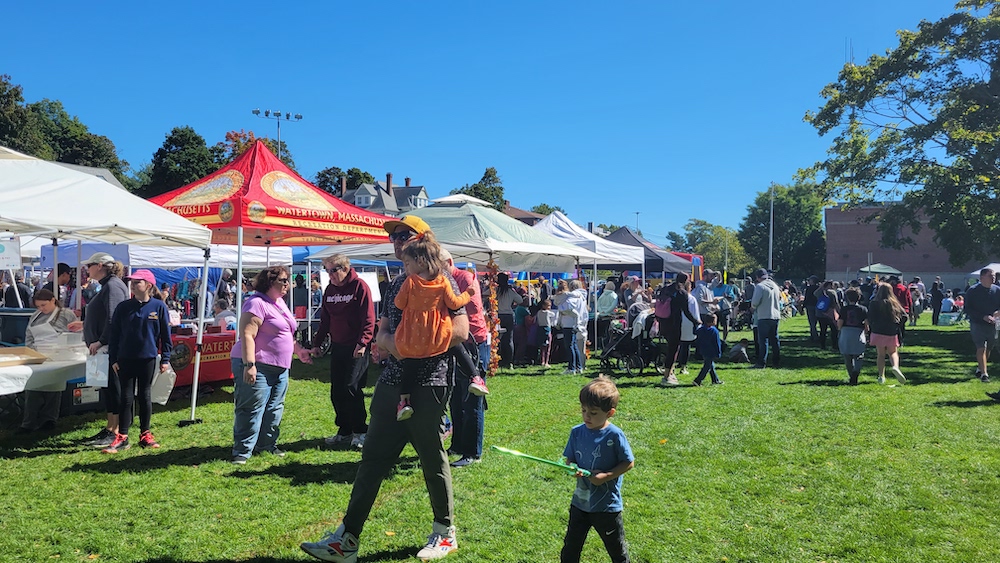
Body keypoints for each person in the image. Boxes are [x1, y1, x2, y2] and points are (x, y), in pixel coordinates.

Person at [301, 215, 469, 562]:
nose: (397, 242)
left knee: (430, 457)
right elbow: (383, 334)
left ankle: (445, 531)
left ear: (423, 240)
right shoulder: (395, 283)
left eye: (404, 236)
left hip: (431, 381)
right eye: (394, 238)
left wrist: (415, 343)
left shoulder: (444, 279)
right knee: (372, 459)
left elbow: (462, 331)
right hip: (392, 381)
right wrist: (397, 344)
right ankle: (347, 539)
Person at [230, 266, 313, 465]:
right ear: (269, 282)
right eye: (283, 281)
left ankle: (266, 444)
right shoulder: (256, 303)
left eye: (287, 281)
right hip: (258, 364)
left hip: (280, 367)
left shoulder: (279, 302)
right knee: (251, 407)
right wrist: (249, 365)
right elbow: (248, 334)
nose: (288, 284)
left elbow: (285, 332)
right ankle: (242, 450)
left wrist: (298, 350)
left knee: (274, 408)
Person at [393, 232, 475, 421]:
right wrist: (468, 293)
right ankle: (475, 376)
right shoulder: (443, 281)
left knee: (410, 365)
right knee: (457, 347)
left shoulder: (410, 281)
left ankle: (404, 401)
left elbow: (398, 303)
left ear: (419, 263)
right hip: (437, 332)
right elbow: (455, 303)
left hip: (413, 335)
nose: (405, 268)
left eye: (407, 264)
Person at [559, 376, 635, 563]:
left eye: (593, 413)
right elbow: (569, 459)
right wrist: (571, 468)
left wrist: (607, 476)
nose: (586, 416)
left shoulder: (615, 435)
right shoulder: (577, 432)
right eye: (584, 410)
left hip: (606, 506)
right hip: (580, 503)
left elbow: (628, 462)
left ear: (610, 413)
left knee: (617, 550)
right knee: (571, 547)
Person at [101, 270, 173, 453]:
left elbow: (165, 335)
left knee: (144, 395)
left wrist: (165, 358)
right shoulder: (123, 307)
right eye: (131, 282)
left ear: (148, 285)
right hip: (125, 359)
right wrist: (114, 359)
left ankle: (145, 434)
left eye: (137, 282)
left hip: (147, 358)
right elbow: (114, 334)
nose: (133, 285)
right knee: (125, 397)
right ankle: (122, 436)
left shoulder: (158, 307)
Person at [311, 254, 375, 450]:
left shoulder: (360, 287)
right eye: (327, 271)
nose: (330, 275)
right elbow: (325, 320)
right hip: (338, 346)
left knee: (351, 387)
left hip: (356, 346)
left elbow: (369, 318)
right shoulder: (329, 290)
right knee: (337, 390)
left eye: (333, 270)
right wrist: (317, 343)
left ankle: (360, 431)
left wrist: (363, 342)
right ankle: (344, 430)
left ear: (345, 269)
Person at [69, 253, 130, 449]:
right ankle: (110, 427)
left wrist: (101, 340)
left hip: (107, 347)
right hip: (100, 347)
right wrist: (86, 324)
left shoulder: (113, 286)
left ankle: (116, 430)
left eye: (90, 265)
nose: (87, 269)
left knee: (113, 388)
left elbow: (114, 319)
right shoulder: (107, 285)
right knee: (105, 388)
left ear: (100, 265)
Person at [441, 248, 489, 468]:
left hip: (473, 343)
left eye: (440, 265)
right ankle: (458, 444)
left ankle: (472, 452)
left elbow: (471, 307)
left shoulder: (465, 278)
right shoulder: (445, 280)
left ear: (449, 261)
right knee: (456, 397)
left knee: (472, 399)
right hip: (455, 343)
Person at [17, 289, 78, 433]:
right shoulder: (35, 316)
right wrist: (31, 352)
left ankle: (49, 420)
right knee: (33, 387)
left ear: (52, 300)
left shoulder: (66, 314)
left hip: (59, 357)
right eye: (38, 306)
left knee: (54, 389)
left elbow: (76, 334)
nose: (41, 309)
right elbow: (29, 336)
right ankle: (29, 422)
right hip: (38, 356)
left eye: (44, 305)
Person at [655, 273, 701, 386]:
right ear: (686, 281)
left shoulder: (666, 289)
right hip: (674, 324)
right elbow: (686, 312)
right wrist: (697, 321)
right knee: (673, 350)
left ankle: (670, 372)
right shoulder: (682, 293)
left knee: (671, 348)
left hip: (663, 322)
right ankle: (666, 377)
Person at [963, 268, 1000, 383]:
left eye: (994, 276)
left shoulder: (997, 290)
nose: (993, 278)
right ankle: (984, 374)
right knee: (981, 347)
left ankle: (980, 367)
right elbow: (967, 309)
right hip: (977, 323)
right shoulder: (973, 291)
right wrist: (983, 316)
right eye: (990, 276)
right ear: (982, 277)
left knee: (989, 348)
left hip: (993, 324)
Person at [867, 282, 907, 385]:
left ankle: (881, 376)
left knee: (880, 355)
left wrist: (872, 325)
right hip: (891, 331)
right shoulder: (894, 303)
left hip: (877, 331)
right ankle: (895, 367)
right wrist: (897, 325)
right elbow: (904, 316)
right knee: (893, 352)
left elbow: (870, 317)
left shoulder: (874, 303)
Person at [750, 268, 782, 369]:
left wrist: (752, 308)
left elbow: (755, 302)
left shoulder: (760, 286)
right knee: (775, 340)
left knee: (763, 340)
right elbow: (780, 298)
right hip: (775, 315)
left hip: (764, 316)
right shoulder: (775, 286)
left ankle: (761, 362)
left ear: (757, 277)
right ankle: (776, 361)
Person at [556, 279, 589, 375]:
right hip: (574, 323)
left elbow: (568, 306)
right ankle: (578, 367)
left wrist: (562, 309)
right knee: (574, 346)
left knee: (569, 346)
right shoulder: (581, 296)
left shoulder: (573, 296)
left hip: (569, 323)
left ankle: (571, 368)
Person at [837, 288, 869, 385]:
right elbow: (866, 324)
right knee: (859, 355)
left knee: (847, 356)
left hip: (846, 332)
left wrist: (839, 330)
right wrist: (867, 333)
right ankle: (856, 371)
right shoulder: (863, 309)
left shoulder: (844, 309)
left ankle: (851, 375)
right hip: (858, 333)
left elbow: (840, 322)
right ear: (859, 297)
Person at [495, 273, 523, 368]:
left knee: (497, 339)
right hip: (509, 316)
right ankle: (509, 361)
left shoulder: (496, 290)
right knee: (509, 340)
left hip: (498, 316)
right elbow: (520, 300)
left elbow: (484, 294)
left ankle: (498, 359)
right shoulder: (510, 291)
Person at [693, 313, 723, 386]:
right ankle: (698, 380)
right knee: (707, 367)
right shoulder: (714, 331)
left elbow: (695, 332)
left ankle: (715, 380)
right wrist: (718, 352)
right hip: (711, 351)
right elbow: (716, 343)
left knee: (710, 365)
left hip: (703, 350)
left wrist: (695, 325)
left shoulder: (701, 329)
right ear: (713, 321)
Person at [814, 280, 841, 351]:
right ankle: (834, 345)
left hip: (820, 314)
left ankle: (822, 345)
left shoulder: (820, 292)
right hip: (830, 314)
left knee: (823, 330)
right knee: (834, 330)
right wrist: (839, 312)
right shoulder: (832, 292)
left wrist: (821, 286)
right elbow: (836, 303)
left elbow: (815, 293)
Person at [596, 281, 619, 350]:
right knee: (609, 333)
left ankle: (601, 345)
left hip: (601, 315)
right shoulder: (614, 295)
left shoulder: (602, 295)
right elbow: (613, 305)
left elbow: (598, 304)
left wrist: (601, 311)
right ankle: (608, 346)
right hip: (609, 315)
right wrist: (607, 311)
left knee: (602, 333)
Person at [537, 298, 557, 368]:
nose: (549, 307)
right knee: (548, 347)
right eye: (548, 306)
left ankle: (542, 361)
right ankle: (546, 361)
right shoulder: (548, 313)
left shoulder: (539, 312)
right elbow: (554, 314)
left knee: (542, 346)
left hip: (540, 329)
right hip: (547, 329)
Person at [803, 275, 821, 342]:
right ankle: (814, 335)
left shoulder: (809, 288)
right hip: (817, 305)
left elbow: (807, 297)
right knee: (816, 321)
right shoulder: (819, 288)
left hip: (810, 306)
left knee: (812, 322)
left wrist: (803, 305)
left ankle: (814, 336)